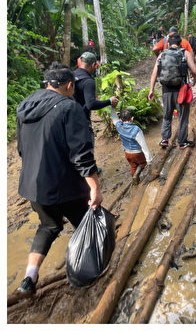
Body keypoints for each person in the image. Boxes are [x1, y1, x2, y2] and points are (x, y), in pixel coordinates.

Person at [14, 63, 102, 296]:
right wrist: (94, 187)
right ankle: (89, 274)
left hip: (34, 186)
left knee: (49, 226)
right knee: (86, 224)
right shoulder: (69, 107)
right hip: (66, 185)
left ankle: (29, 277)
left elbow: (22, 149)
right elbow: (81, 153)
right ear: (69, 85)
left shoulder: (25, 104)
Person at [148, 33, 196, 149]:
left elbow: (154, 74)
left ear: (168, 44)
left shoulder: (161, 55)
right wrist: (193, 82)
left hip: (166, 90)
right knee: (182, 116)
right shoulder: (184, 53)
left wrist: (151, 90)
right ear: (180, 43)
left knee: (167, 115)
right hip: (181, 90)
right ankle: (182, 142)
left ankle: (165, 139)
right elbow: (195, 72)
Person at [74, 51, 118, 142]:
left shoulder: (71, 75)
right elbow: (91, 104)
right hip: (81, 122)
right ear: (93, 65)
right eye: (96, 66)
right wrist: (109, 101)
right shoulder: (88, 81)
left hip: (68, 120)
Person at [110, 106, 152, 177]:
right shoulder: (136, 129)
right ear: (132, 119)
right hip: (137, 153)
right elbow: (143, 145)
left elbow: (114, 118)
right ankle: (137, 174)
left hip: (127, 153)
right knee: (143, 163)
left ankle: (134, 177)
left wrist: (112, 108)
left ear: (120, 120)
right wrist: (149, 159)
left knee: (133, 166)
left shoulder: (119, 126)